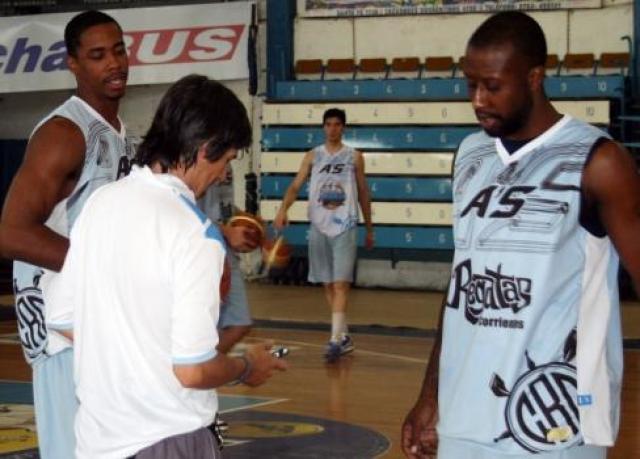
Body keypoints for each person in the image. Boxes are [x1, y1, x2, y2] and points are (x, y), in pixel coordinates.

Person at [402, 11, 640, 459]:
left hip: (557, 416)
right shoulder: (471, 154)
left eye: (492, 86)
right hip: (463, 414)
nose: (477, 99)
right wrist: (430, 394)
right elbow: (462, 284)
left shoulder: (598, 161)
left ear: (534, 77)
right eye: (470, 84)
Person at [46, 74, 287, 459]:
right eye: (226, 161)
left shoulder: (100, 204)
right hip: (168, 437)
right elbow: (192, 372)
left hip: (96, 442)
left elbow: (60, 316)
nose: (224, 174)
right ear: (206, 149)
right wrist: (245, 366)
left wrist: (132, 354)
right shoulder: (195, 233)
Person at [0, 11, 133, 458]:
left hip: (92, 322)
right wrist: (100, 268)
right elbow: (10, 232)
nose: (113, 63)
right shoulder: (64, 132)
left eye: (118, 50)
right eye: (97, 55)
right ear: (73, 64)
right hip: (59, 330)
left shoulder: (115, 131)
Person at [274, 108, 374, 362]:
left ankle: (333, 341)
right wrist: (283, 209)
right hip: (319, 225)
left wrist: (370, 227)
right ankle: (344, 336)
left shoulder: (354, 157)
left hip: (346, 224)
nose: (332, 128)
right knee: (328, 284)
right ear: (323, 127)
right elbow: (296, 185)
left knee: (341, 284)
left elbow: (363, 191)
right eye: (328, 124)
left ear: (344, 128)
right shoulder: (312, 156)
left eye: (337, 124)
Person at [199, 167, 256, 354]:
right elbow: (190, 213)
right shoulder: (199, 160)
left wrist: (248, 221)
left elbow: (224, 208)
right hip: (204, 250)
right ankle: (200, 371)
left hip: (225, 250)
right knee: (204, 325)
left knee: (239, 323)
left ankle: (207, 369)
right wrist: (228, 231)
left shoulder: (227, 162)